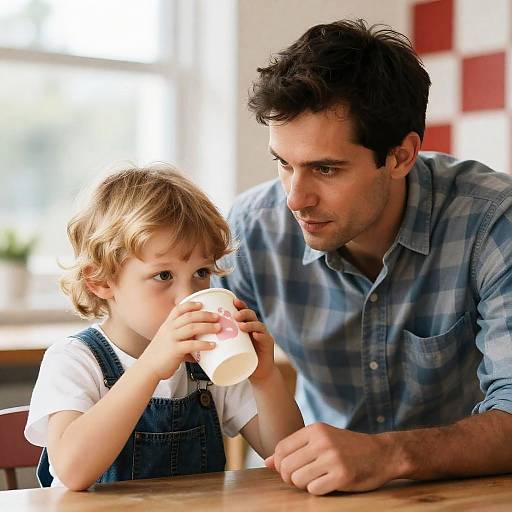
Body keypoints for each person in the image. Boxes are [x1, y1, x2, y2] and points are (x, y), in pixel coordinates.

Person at [214, 19, 512, 495]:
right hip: (318, 492)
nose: (295, 198)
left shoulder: (493, 222)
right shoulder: (252, 230)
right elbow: (204, 382)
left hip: (473, 491)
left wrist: (388, 454)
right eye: (284, 163)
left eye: (325, 169)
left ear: (400, 156)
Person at [24, 163, 303, 490]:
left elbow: (290, 454)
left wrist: (265, 377)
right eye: (164, 276)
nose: (189, 295)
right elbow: (73, 471)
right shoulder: (74, 360)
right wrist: (150, 368)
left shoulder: (209, 360)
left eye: (200, 272)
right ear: (100, 281)